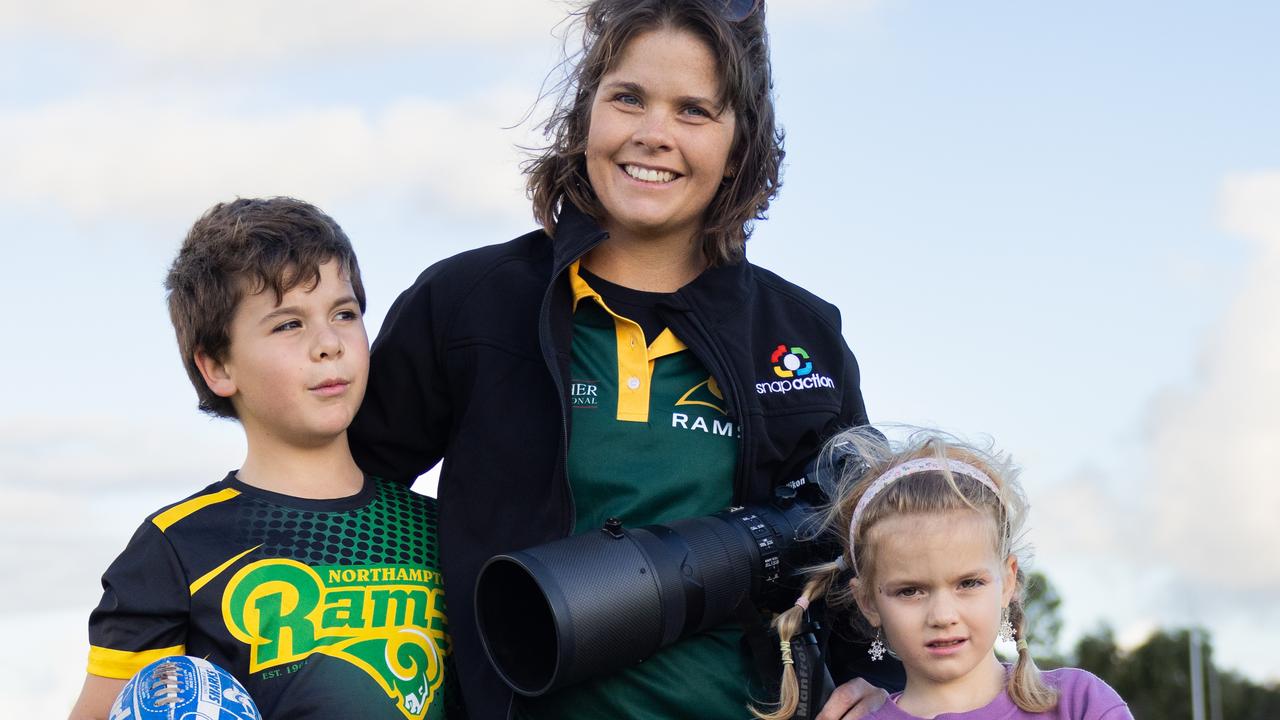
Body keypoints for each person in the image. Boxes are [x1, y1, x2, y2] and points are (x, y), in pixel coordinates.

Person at [349, 1, 895, 717]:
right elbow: (348, 498)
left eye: (694, 110)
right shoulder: (468, 303)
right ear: (586, 116)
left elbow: (867, 553)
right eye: (628, 98)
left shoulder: (803, 333)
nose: (653, 134)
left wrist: (882, 687)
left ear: (741, 143)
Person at [68, 198, 458, 720]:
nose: (329, 344)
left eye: (344, 313)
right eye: (287, 325)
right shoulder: (176, 546)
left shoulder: (440, 528)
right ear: (217, 368)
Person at [757, 427, 1134, 720]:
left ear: (1008, 583)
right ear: (868, 601)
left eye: (969, 583)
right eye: (910, 591)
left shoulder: (1080, 703)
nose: (942, 616)